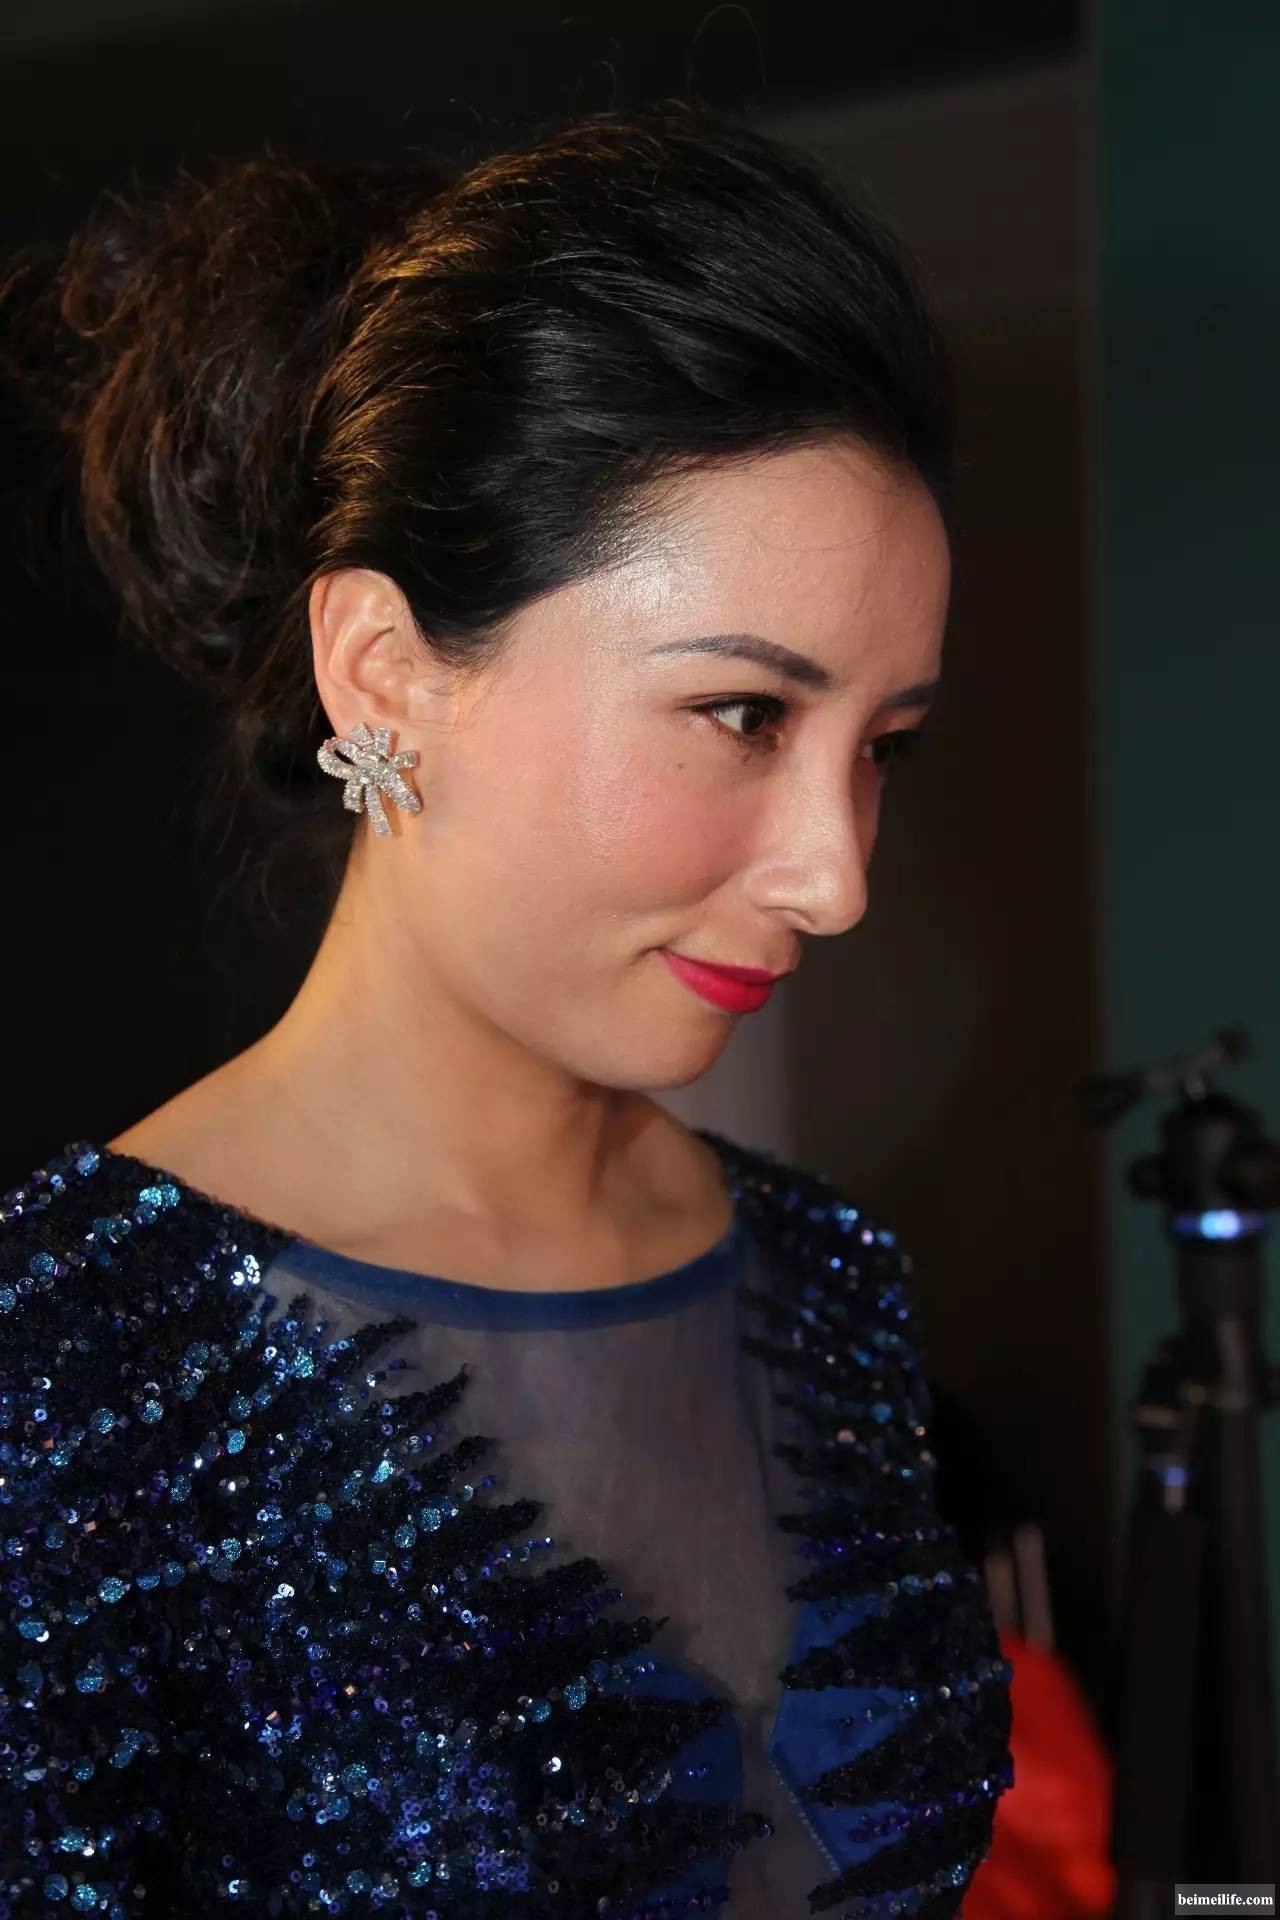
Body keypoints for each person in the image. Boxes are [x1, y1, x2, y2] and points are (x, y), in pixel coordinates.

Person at [0, 103, 1013, 1917]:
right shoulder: (69, 1378)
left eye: (887, 745)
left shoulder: (827, 1289)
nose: (836, 875)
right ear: (386, 673)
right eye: (744, 715)